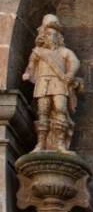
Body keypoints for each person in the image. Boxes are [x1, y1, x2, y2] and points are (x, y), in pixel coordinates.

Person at [22, 14, 81, 153]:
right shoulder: (38, 52)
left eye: (53, 34)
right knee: (43, 110)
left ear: (58, 36)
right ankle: (41, 143)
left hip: (59, 82)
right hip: (43, 82)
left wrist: (70, 74)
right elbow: (31, 65)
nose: (50, 37)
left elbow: (75, 62)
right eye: (48, 34)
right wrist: (28, 74)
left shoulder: (64, 52)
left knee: (60, 108)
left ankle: (60, 144)